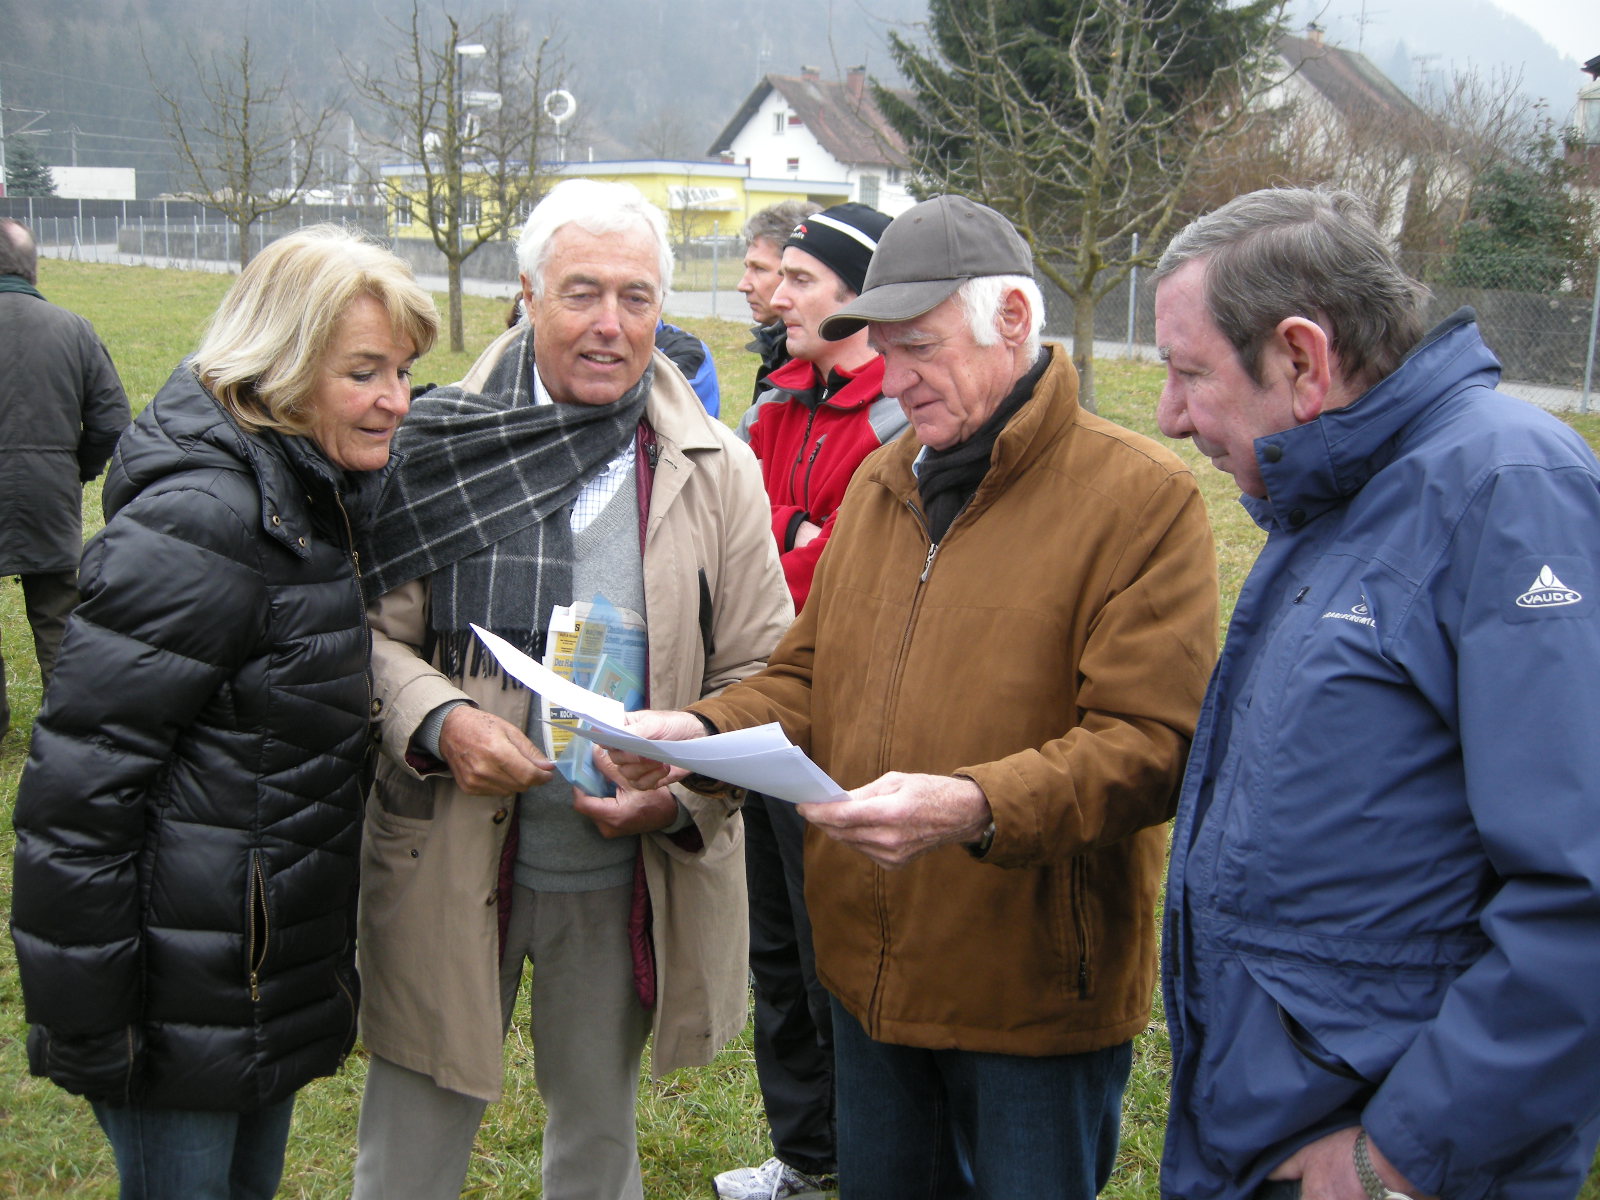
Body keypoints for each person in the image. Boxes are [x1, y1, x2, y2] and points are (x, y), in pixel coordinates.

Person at [609, 194, 1219, 1199]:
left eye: (920, 349)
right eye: (885, 352)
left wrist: (973, 806)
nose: (893, 382)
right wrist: (699, 730)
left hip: (1029, 997)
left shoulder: (1141, 499)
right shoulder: (884, 482)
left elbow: (1153, 746)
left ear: (1012, 321)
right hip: (869, 983)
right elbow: (810, 677)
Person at [1152, 187, 1600, 1200]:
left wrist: (1397, 1154)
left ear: (1302, 360)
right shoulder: (1334, 493)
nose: (1171, 415)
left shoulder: (1506, 492)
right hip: (1274, 1127)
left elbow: (1580, 893)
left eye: (1189, 373)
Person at [349, 178, 792, 1200]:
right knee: (410, 1143)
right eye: (581, 292)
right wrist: (443, 721)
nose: (609, 324)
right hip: (448, 847)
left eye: (636, 298)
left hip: (615, 865)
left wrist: (681, 782)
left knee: (596, 1140)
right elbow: (366, 638)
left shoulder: (715, 466)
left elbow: (768, 670)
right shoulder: (435, 443)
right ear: (528, 295)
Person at [10, 226, 438, 1199]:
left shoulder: (307, 499)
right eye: (363, 372)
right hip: (169, 998)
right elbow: (80, 795)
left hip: (252, 976)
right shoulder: (203, 522)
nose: (396, 401)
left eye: (403, 371)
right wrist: (92, 1018)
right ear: (279, 367)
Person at [716, 201, 906, 1200]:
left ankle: (867, 1154)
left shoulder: (899, 416)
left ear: (861, 296)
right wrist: (792, 532)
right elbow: (734, 546)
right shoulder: (772, 404)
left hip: (844, 725)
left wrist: (785, 539)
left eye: (800, 279)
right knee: (778, 948)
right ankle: (805, 1155)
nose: (774, 295)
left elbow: (846, 575)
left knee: (839, 943)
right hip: (761, 706)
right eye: (777, 275)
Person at [0, 217, 129, 740]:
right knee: (56, 610)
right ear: (32, 268)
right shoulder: (73, 329)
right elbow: (112, 421)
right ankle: (66, 726)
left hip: (47, 479)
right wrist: (73, 469)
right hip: (47, 489)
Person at [738, 200, 821, 404]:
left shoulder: (818, 364)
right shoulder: (777, 348)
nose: (743, 285)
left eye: (759, 269)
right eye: (747, 267)